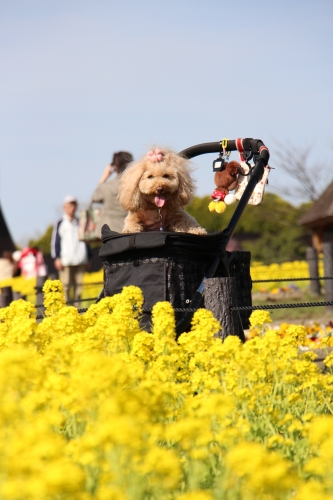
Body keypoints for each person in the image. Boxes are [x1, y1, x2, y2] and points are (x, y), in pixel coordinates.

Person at [51, 195, 91, 304]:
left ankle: (78, 310)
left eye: (73, 206)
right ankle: (66, 309)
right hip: (66, 260)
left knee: (79, 287)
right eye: (69, 206)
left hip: (80, 258)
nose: (71, 209)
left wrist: (88, 257)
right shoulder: (60, 223)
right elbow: (56, 241)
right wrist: (57, 257)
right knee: (66, 286)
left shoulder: (81, 221)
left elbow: (86, 240)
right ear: (64, 208)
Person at [91, 151, 133, 237]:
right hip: (129, 230)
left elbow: (95, 197)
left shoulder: (108, 186)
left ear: (114, 166)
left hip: (109, 232)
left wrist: (104, 176)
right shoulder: (134, 185)